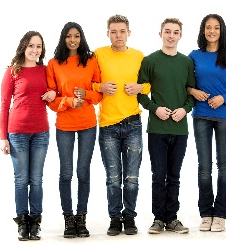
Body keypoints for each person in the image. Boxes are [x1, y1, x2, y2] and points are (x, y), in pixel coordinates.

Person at [93, 14, 150, 236]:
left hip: (133, 123)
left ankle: (130, 218)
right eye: (114, 31)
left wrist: (139, 88)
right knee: (113, 177)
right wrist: (100, 87)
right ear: (108, 33)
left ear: (129, 33)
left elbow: (149, 84)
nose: (118, 35)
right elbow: (88, 82)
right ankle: (115, 218)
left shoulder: (138, 56)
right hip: (108, 125)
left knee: (132, 177)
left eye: (122, 31)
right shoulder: (98, 54)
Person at [137, 18, 196, 234]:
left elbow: (192, 93)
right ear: (160, 34)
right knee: (158, 175)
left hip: (180, 129)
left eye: (175, 32)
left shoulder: (186, 62)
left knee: (174, 176)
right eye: (167, 31)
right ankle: (158, 219)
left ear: (180, 35)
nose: (171, 35)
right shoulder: (149, 60)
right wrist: (155, 108)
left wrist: (185, 109)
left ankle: (172, 218)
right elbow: (141, 94)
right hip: (157, 129)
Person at [186, 14, 226, 232]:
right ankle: (206, 213)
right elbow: (185, 83)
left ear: (222, 31)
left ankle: (220, 214)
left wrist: (224, 98)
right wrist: (193, 91)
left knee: (224, 165)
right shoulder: (194, 56)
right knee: (204, 166)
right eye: (208, 27)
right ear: (202, 31)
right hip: (200, 114)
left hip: (225, 116)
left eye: (216, 27)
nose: (212, 31)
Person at [46, 22, 103, 238]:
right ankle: (68, 218)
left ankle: (81, 217)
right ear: (63, 38)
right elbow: (51, 100)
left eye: (77, 36)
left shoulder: (91, 61)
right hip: (65, 126)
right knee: (66, 173)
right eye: (69, 36)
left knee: (83, 172)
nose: (73, 40)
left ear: (81, 38)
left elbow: (98, 95)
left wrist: (85, 95)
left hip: (88, 124)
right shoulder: (54, 64)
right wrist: (70, 100)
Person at [0, 31, 55, 241]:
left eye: (39, 46)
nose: (35, 50)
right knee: (21, 180)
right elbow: (4, 105)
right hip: (17, 132)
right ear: (24, 46)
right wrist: (3, 137)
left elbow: (55, 89)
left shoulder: (45, 69)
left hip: (41, 132)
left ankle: (35, 221)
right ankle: (23, 221)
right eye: (31, 45)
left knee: (37, 179)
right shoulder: (13, 72)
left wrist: (54, 94)